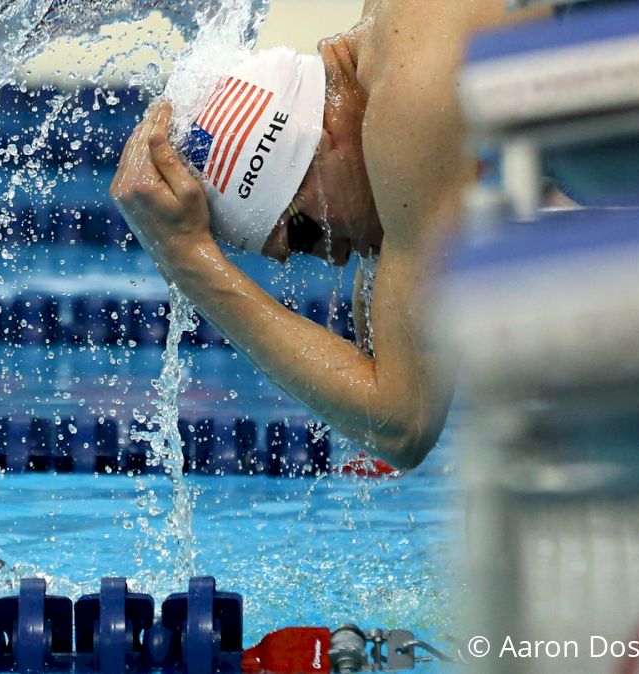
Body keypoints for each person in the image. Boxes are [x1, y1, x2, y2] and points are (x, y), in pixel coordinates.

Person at [111, 0, 526, 470]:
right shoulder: (394, 42)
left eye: (305, 232)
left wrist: (187, 259)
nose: (332, 258)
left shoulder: (411, 99)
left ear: (321, 140)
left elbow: (403, 425)